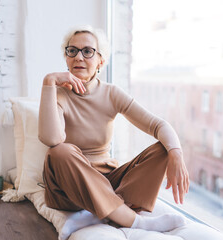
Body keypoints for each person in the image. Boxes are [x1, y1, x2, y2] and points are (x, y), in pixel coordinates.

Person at [38, 25, 190, 233]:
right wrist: (49, 81)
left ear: (101, 61)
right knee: (59, 150)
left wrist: (176, 153)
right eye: (72, 51)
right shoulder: (57, 93)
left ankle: (101, 211)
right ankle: (134, 221)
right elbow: (51, 138)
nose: (79, 57)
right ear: (66, 58)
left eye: (88, 51)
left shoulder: (111, 93)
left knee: (165, 147)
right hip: (67, 191)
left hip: (108, 182)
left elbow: (158, 125)